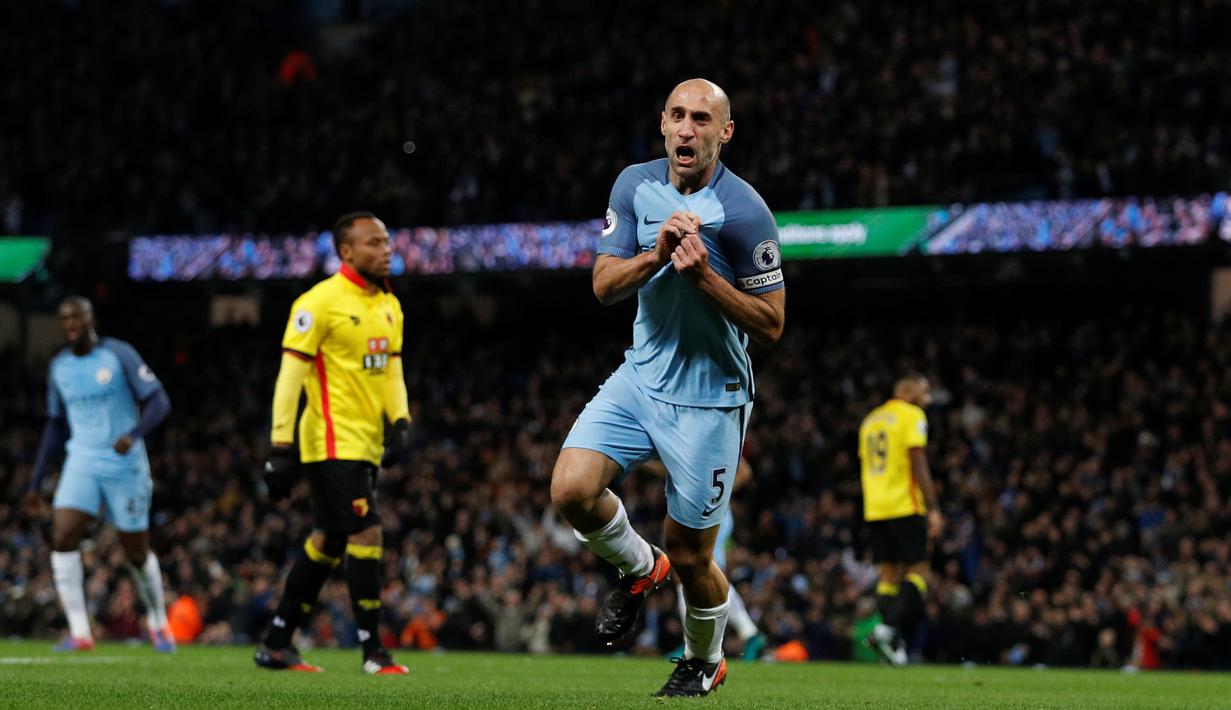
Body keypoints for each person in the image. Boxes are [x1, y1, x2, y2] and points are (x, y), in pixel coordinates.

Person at [550, 78, 786, 698]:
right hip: (641, 377)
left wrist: (706, 276)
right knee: (571, 489)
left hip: (711, 401)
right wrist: (655, 256)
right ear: (662, 123)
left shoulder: (745, 212)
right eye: (678, 116)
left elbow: (772, 323)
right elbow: (604, 286)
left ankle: (703, 661)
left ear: (724, 132)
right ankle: (636, 566)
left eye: (702, 119)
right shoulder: (634, 185)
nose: (688, 128)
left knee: (691, 556)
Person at [253, 212, 413, 675]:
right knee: (366, 532)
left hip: (365, 442)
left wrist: (399, 418)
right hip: (329, 439)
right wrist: (280, 447)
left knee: (326, 540)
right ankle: (373, 652)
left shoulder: (389, 305)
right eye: (373, 243)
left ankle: (277, 643)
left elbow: (392, 368)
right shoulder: (318, 303)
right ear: (346, 252)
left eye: (387, 241)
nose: (386, 249)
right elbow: (290, 377)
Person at [23, 297, 174, 652]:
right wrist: (35, 483)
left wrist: (133, 436)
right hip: (83, 460)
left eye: (77, 316)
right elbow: (55, 425)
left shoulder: (118, 355)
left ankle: (159, 622)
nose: (71, 323)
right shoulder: (59, 367)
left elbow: (159, 401)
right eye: (64, 318)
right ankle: (80, 633)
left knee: (136, 551)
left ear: (91, 318)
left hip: (125, 463)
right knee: (62, 536)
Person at [639, 456, 768, 660]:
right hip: (694, 511)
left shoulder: (714, 434)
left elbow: (744, 471)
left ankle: (737, 635)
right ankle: (746, 634)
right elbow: (677, 474)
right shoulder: (687, 441)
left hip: (711, 513)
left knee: (699, 572)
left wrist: (715, 496)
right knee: (689, 574)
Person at [857, 375, 943, 666]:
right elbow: (917, 460)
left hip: (875, 508)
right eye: (924, 390)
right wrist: (933, 507)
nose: (927, 398)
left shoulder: (870, 420)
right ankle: (887, 629)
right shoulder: (911, 415)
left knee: (887, 577)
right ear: (905, 390)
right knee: (919, 571)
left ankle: (894, 644)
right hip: (905, 504)